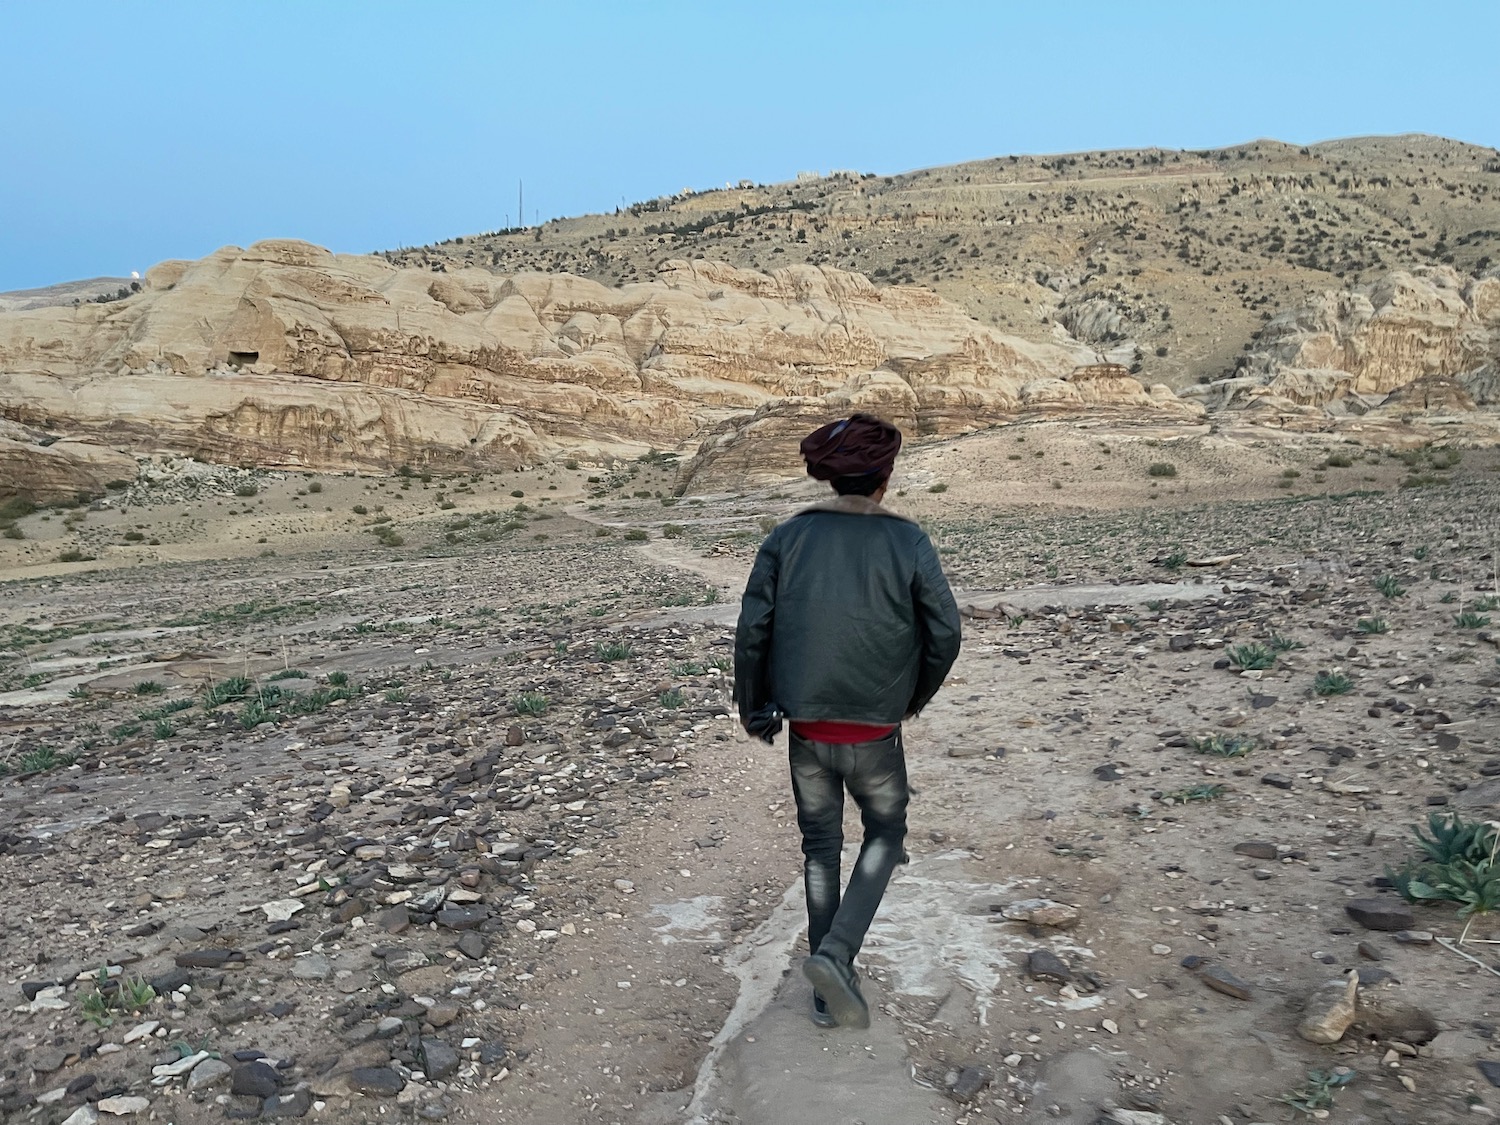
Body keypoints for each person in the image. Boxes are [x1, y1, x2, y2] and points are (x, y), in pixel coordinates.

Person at [733, 413, 962, 1029]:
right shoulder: (908, 540)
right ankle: (836, 954)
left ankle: (824, 993)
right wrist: (911, 698)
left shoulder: (787, 537)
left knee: (820, 848)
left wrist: (755, 707)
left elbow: (753, 628)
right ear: (884, 477)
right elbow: (946, 632)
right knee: (886, 835)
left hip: (807, 731)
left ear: (831, 479)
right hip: (875, 734)